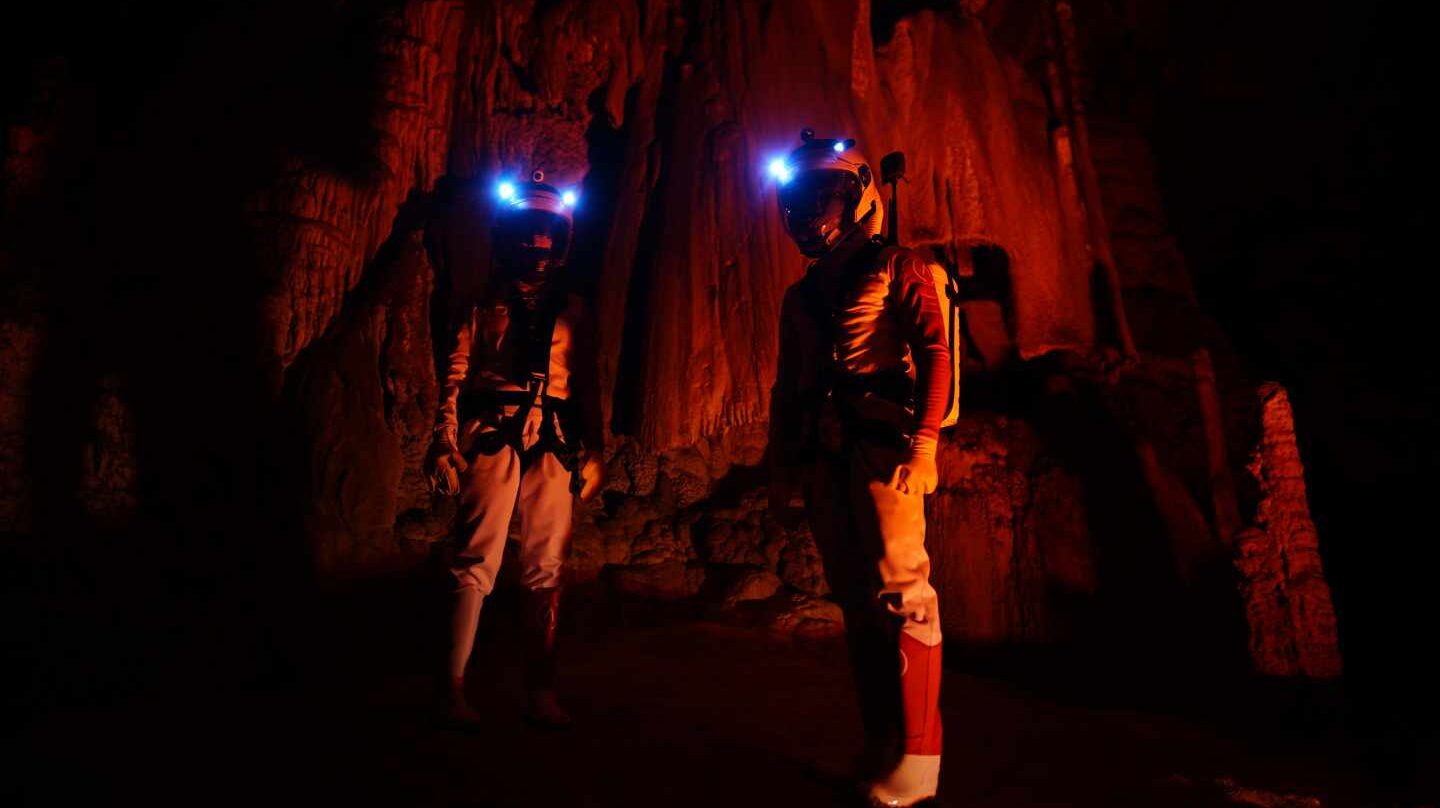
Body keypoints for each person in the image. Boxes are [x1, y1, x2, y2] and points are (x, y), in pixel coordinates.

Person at [767, 131, 951, 806]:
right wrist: (781, 462)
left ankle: (920, 760)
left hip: (883, 446)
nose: (813, 209)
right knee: (858, 603)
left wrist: (925, 443)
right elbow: (788, 386)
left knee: (904, 592)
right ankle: (883, 744)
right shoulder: (800, 297)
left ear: (857, 197)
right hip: (826, 452)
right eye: (803, 197)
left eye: (827, 194)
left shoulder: (897, 266)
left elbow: (935, 352)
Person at [425, 171, 605, 728]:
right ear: (507, 237)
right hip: (494, 431)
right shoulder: (480, 304)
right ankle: (451, 687)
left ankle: (540, 692)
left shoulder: (575, 309)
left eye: (547, 233)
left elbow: (586, 382)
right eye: (527, 233)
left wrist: (595, 449)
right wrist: (443, 438)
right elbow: (453, 375)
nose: (537, 244)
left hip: (552, 439)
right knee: (476, 557)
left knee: (546, 564)